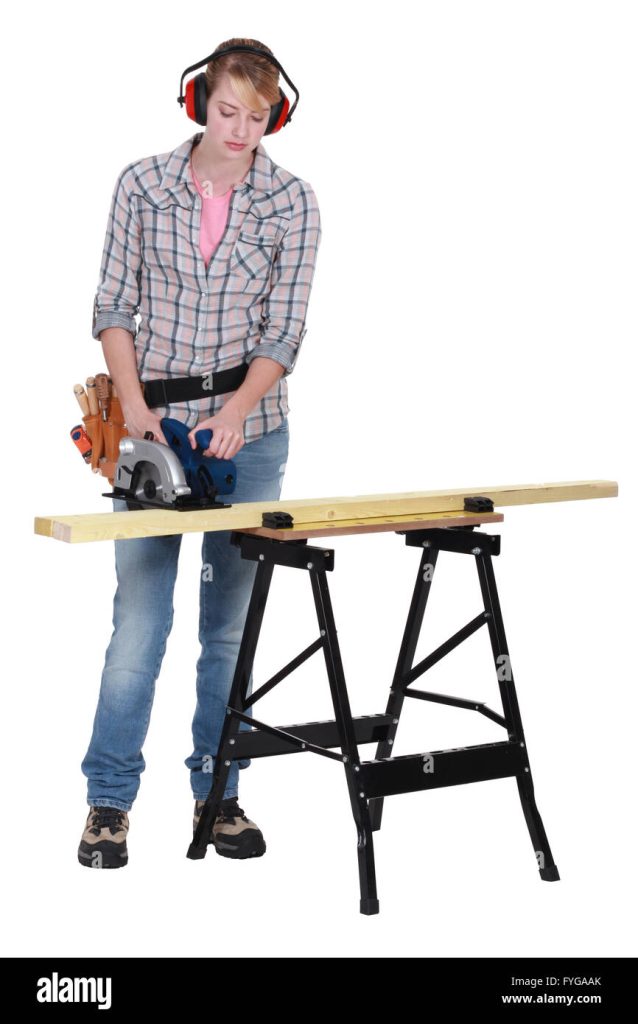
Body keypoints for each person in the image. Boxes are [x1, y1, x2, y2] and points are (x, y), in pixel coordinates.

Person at [78, 38, 322, 869]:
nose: (241, 129)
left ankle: (220, 795)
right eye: (227, 112)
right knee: (139, 627)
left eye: (258, 117)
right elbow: (114, 303)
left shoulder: (293, 202)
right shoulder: (142, 186)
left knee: (228, 633)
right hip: (157, 430)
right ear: (197, 102)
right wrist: (140, 410)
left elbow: (283, 331)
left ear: (276, 113)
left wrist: (240, 412)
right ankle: (108, 803)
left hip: (250, 439)